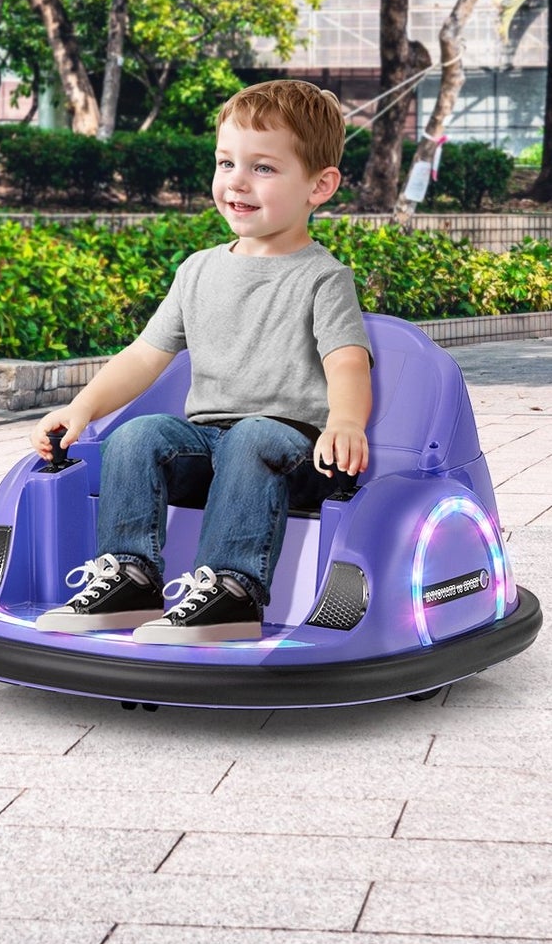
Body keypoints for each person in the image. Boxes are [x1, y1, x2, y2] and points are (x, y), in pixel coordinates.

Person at [32, 80, 372, 644]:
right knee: (139, 435)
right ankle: (131, 578)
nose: (236, 180)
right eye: (225, 162)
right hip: (209, 442)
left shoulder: (322, 278)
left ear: (320, 185)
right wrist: (83, 407)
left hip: (291, 450)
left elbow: (347, 362)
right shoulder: (197, 271)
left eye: (263, 168)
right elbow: (144, 356)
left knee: (253, 437)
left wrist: (345, 423)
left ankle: (234, 593)